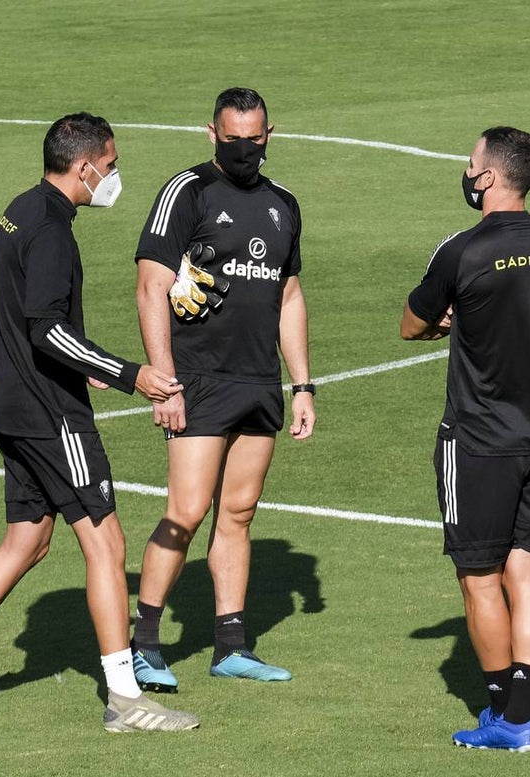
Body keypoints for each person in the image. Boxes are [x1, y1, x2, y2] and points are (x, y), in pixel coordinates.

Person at [0, 112, 200, 733]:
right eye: (111, 166)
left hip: (11, 404)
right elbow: (46, 327)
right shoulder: (52, 232)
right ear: (83, 165)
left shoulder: (20, 209)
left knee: (27, 541)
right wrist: (129, 373)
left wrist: (81, 360)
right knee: (107, 541)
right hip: (50, 414)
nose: (114, 177)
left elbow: (33, 319)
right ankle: (124, 699)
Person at [130, 87, 316, 691]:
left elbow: (288, 297)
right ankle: (144, 643)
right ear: (212, 133)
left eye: (254, 139)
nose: (244, 149)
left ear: (270, 134)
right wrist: (165, 384)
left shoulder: (284, 203)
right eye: (232, 139)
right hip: (199, 381)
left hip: (258, 382)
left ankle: (230, 646)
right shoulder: (186, 192)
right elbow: (150, 285)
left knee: (237, 513)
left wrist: (303, 385)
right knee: (185, 512)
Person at [401, 126, 530, 752]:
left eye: (471, 163)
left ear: (492, 176)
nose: (466, 172)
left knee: (478, 578)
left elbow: (411, 322)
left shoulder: (463, 250)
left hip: (476, 437)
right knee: (526, 573)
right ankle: (526, 716)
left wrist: (448, 320)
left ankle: (503, 715)